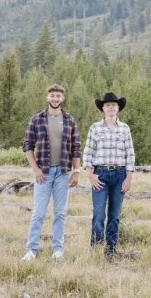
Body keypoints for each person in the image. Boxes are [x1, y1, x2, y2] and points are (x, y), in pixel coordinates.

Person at [21, 84, 81, 261]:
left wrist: (76, 171)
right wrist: (35, 169)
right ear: (48, 97)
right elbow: (27, 145)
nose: (55, 99)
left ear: (62, 98)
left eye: (58, 96)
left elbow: (76, 147)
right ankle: (31, 249)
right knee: (38, 213)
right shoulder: (37, 119)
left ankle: (57, 249)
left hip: (63, 172)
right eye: (52, 96)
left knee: (60, 213)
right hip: (43, 173)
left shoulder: (69, 120)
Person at [83, 91, 135, 258]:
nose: (111, 108)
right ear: (103, 108)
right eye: (107, 105)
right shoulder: (95, 128)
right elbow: (88, 153)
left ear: (118, 108)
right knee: (99, 213)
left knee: (114, 215)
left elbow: (130, 154)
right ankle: (96, 249)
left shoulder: (125, 128)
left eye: (113, 105)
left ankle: (111, 250)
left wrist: (129, 178)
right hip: (101, 174)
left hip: (120, 175)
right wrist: (90, 175)